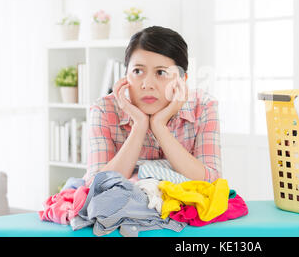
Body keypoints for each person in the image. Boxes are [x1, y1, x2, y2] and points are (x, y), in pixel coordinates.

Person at [83, 26, 221, 185]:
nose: (147, 84)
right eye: (137, 71)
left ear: (182, 80)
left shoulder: (203, 106)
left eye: (161, 73)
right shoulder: (104, 110)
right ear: (126, 75)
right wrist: (139, 126)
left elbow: (212, 181)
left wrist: (159, 126)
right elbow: (96, 185)